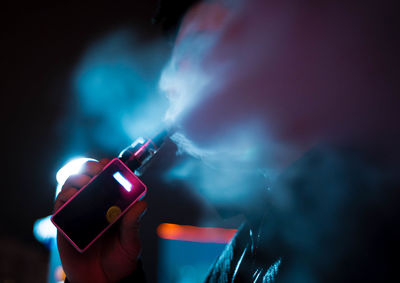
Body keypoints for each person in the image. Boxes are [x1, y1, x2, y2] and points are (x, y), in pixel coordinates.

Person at [55, 0, 400, 282]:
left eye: (202, 47)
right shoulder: (261, 234)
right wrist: (108, 279)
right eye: (178, 56)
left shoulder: (374, 225)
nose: (169, 82)